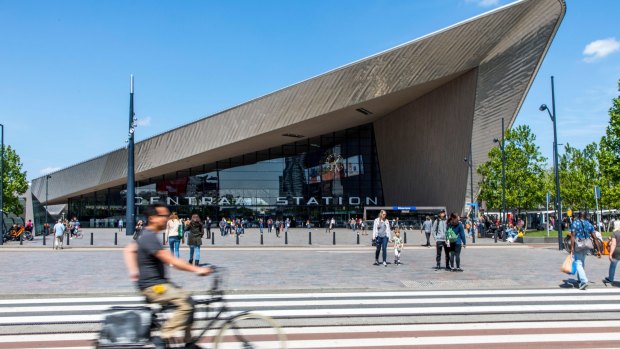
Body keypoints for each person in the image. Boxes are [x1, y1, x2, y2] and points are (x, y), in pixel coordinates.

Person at [124, 204, 211, 348]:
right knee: (186, 303)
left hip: (157, 284)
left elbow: (129, 250)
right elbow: (172, 261)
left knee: (189, 300)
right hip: (154, 287)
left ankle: (188, 342)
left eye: (167, 216)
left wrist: (134, 272)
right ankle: (164, 335)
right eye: (163, 216)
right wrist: (197, 270)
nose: (167, 219)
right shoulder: (149, 237)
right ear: (152, 218)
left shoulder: (146, 234)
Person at [571, 212, 596, 290]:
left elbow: (573, 235)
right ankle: (579, 280)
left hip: (578, 245)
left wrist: (572, 247)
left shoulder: (575, 223)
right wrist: (598, 249)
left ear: (579, 216)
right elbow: (594, 236)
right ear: (585, 216)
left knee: (578, 263)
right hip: (586, 245)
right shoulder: (588, 224)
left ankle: (583, 281)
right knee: (582, 262)